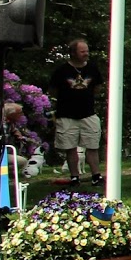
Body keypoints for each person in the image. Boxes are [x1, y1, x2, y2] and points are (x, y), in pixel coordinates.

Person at [48, 37, 104, 185]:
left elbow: (98, 88)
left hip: (88, 113)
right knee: (70, 147)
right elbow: (53, 90)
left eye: (87, 50)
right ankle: (75, 177)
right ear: (73, 53)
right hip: (66, 114)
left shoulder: (92, 68)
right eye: (82, 51)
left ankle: (96, 176)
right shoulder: (62, 71)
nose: (86, 53)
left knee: (92, 145)